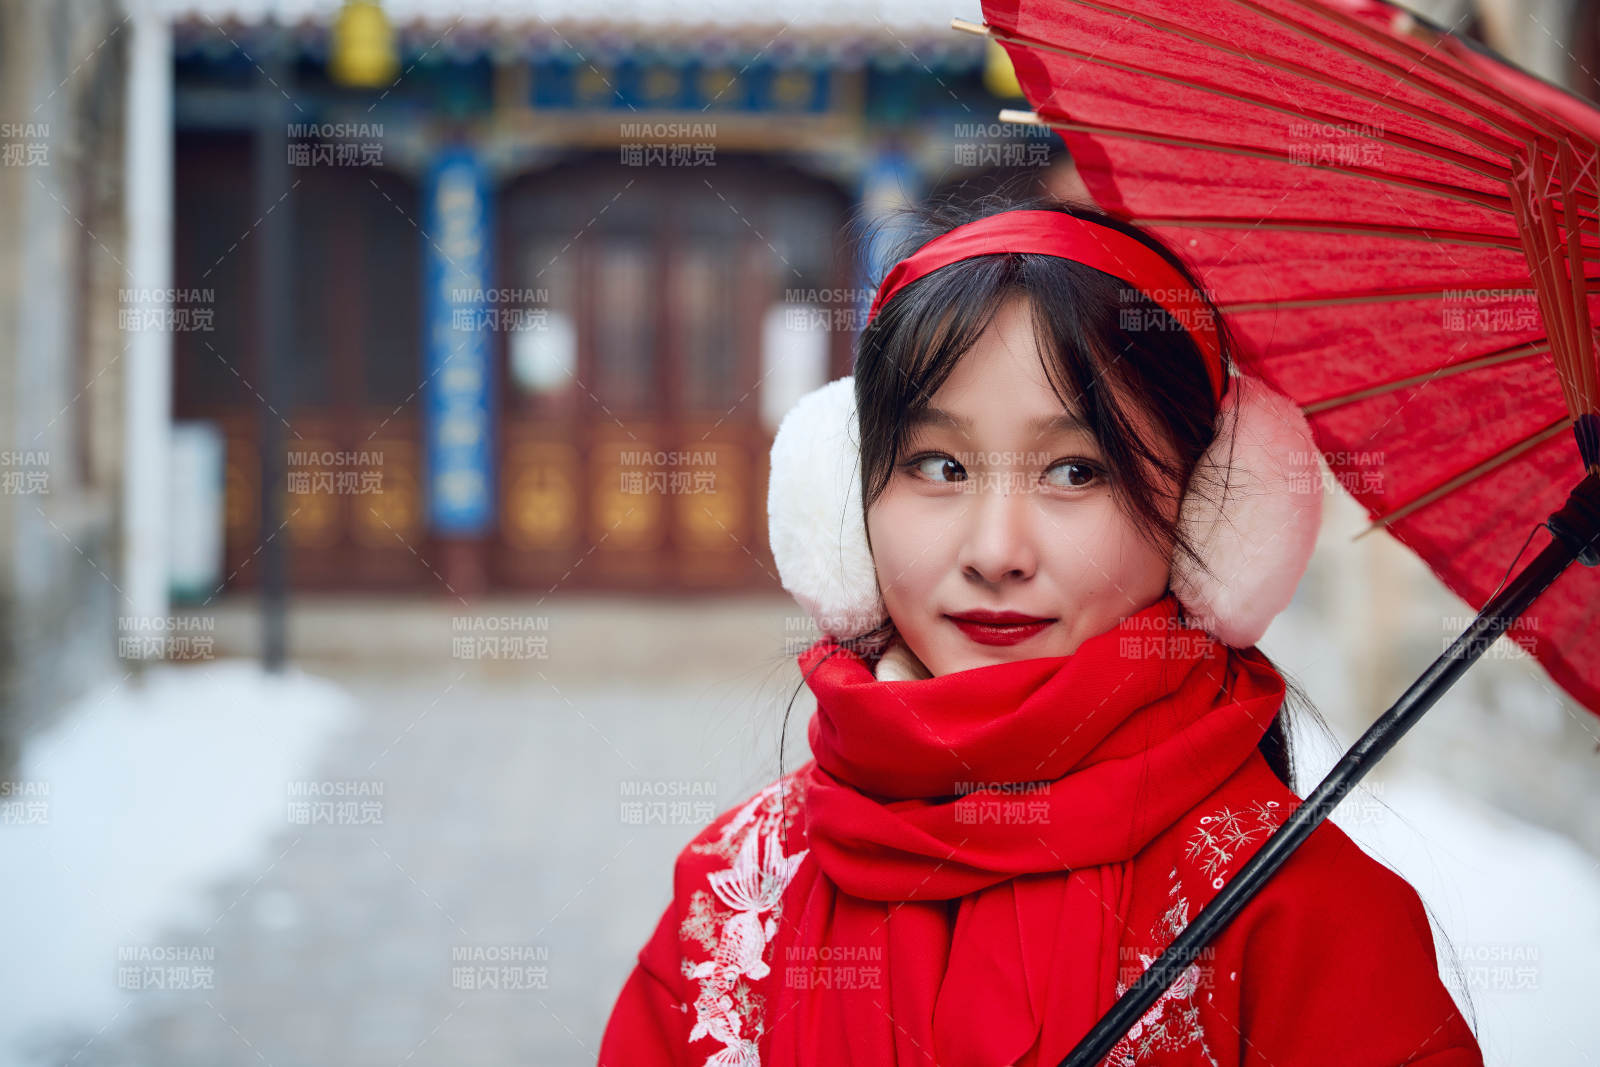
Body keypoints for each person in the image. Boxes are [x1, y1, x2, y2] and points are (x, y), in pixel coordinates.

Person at [598, 191, 1485, 1066]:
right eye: (939, 465)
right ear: (841, 497)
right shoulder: (732, 893)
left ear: (1213, 518)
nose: (995, 551)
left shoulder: (1297, 916)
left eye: (1074, 470)